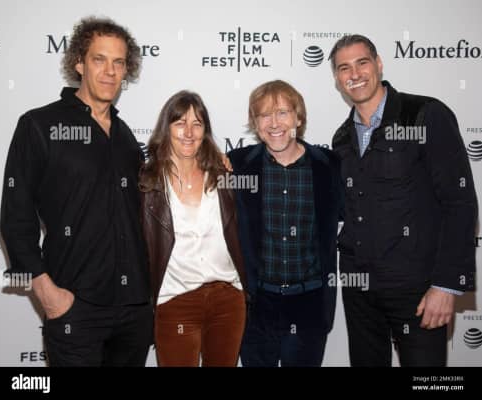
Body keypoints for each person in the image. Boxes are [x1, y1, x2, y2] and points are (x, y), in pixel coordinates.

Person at [0, 17, 153, 366]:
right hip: (75, 308)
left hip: (134, 310)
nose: (110, 71)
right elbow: (16, 216)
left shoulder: (126, 137)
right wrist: (47, 293)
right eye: (99, 59)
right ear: (79, 63)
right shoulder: (39, 125)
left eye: (119, 62)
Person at [329, 34, 477, 366]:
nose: (354, 73)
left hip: (418, 288)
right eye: (344, 68)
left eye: (362, 62)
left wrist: (447, 285)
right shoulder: (342, 138)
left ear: (379, 64)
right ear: (337, 78)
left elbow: (459, 202)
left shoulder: (423, 114)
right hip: (360, 288)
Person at [228, 80, 343, 367]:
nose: (274, 123)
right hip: (256, 307)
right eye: (264, 115)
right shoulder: (236, 165)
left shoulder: (329, 166)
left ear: (298, 118)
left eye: (282, 112)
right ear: (255, 123)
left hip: (309, 306)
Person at [139, 90, 247, 367]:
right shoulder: (147, 183)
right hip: (175, 301)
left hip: (228, 299)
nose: (188, 132)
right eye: (180, 123)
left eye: (197, 124)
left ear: (205, 131)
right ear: (166, 129)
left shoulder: (224, 176)